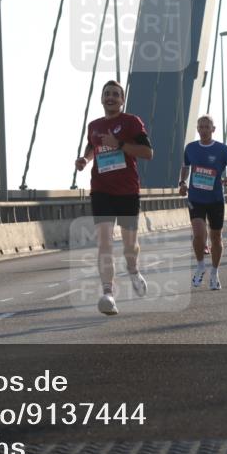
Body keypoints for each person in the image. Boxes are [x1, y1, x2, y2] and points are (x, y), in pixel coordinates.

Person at [75, 80, 153, 315]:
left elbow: (148, 153)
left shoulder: (131, 122)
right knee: (105, 242)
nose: (110, 98)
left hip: (128, 190)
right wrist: (85, 160)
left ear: (122, 100)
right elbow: (92, 147)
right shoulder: (94, 126)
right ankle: (108, 293)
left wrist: (119, 144)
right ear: (101, 98)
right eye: (107, 94)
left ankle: (133, 269)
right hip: (101, 189)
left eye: (115, 95)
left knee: (130, 245)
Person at [179, 115, 227, 290]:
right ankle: (200, 266)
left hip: (215, 199)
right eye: (201, 127)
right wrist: (182, 182)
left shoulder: (221, 149)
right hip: (196, 199)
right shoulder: (190, 148)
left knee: (216, 237)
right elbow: (185, 166)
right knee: (198, 234)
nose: (204, 130)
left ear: (213, 129)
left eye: (207, 127)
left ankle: (214, 272)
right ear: (197, 129)